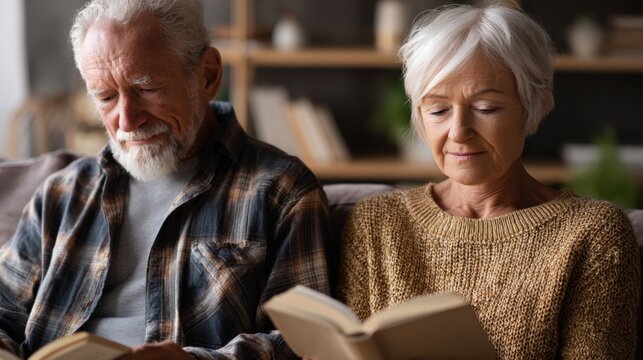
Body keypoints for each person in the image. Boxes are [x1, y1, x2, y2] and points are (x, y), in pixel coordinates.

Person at [0, 0, 330, 358]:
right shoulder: (61, 195)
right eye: (106, 97)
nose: (126, 121)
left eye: (146, 89)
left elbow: (305, 344)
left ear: (207, 75)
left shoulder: (281, 191)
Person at [338, 4, 639, 359]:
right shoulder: (377, 222)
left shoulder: (592, 234)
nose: (459, 132)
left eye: (486, 109)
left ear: (534, 105)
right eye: (438, 110)